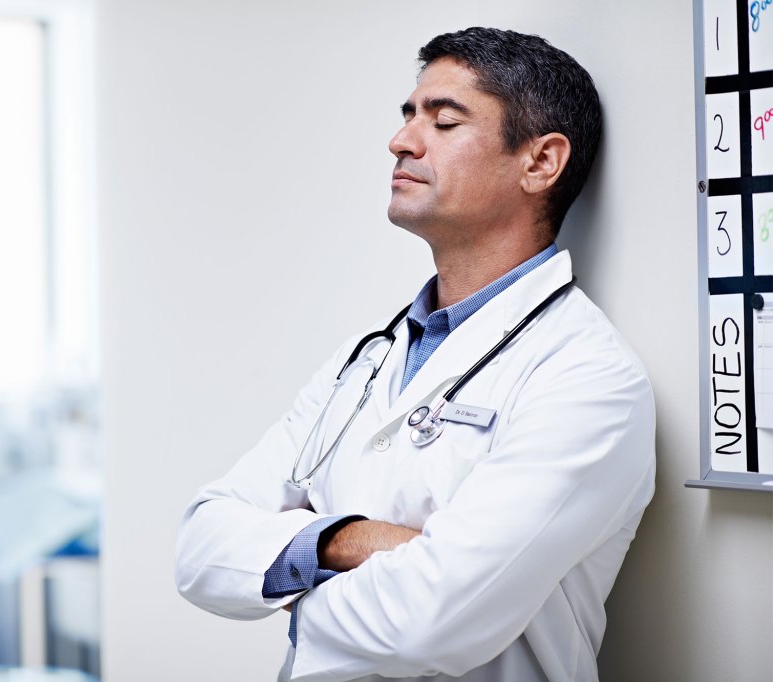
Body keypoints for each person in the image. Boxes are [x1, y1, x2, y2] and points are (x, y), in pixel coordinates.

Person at [174, 26, 655, 682]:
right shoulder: (366, 358)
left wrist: (286, 573)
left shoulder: (587, 378)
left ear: (540, 163)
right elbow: (201, 545)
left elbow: (428, 623)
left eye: (444, 120)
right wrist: (346, 540)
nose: (401, 140)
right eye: (408, 116)